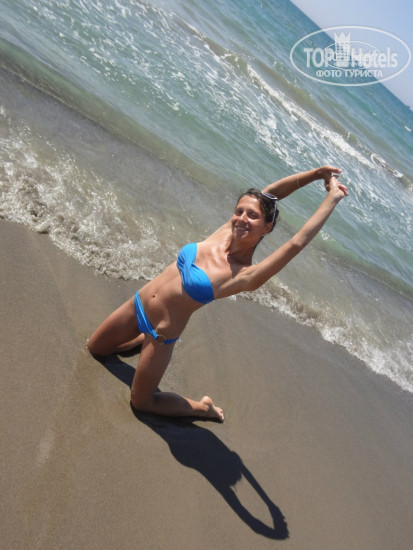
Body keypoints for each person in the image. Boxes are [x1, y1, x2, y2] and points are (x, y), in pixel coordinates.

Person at [87, 165, 348, 421]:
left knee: (142, 403)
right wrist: (316, 175)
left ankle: (203, 408)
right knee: (95, 348)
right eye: (239, 211)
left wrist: (332, 198)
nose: (242, 218)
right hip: (138, 305)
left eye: (252, 216)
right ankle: (137, 340)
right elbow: (270, 194)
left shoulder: (244, 275)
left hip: (160, 335)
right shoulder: (224, 234)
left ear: (267, 227)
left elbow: (296, 243)